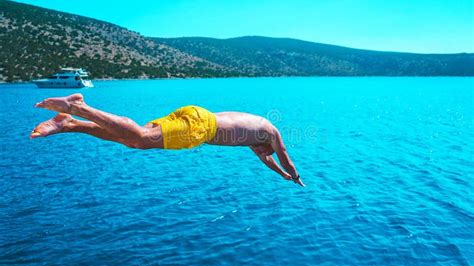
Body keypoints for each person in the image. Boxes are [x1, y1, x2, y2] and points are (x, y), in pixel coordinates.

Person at [30, 94, 305, 187]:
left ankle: (70, 124)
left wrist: (281, 175)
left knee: (134, 141)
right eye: (260, 150)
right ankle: (78, 107)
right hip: (201, 127)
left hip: (196, 113)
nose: (258, 152)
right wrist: (294, 176)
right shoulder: (271, 134)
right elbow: (282, 156)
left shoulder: (259, 131)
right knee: (139, 135)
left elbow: (268, 160)